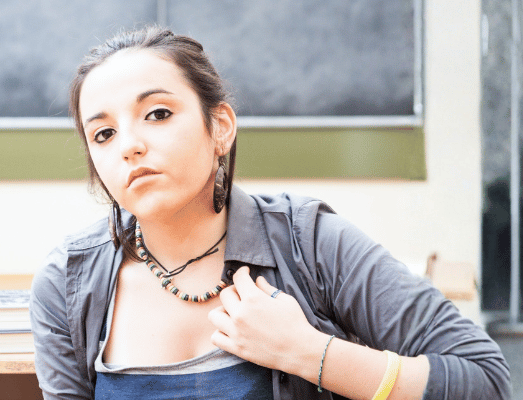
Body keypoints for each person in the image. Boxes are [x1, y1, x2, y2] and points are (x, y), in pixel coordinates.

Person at [29, 26, 510, 400]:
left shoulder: (310, 241)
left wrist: (309, 353)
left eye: (157, 114)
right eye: (103, 134)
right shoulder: (66, 283)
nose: (129, 146)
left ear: (219, 128)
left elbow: (484, 380)